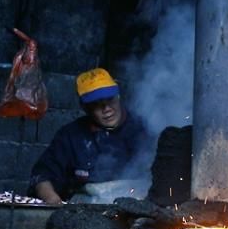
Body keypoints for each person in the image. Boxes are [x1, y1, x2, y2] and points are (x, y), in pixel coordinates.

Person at [30, 68, 151, 203]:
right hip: (86, 214)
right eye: (97, 105)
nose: (106, 109)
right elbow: (42, 175)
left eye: (110, 100)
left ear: (118, 96)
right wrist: (53, 201)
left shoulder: (144, 129)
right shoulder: (70, 136)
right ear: (85, 108)